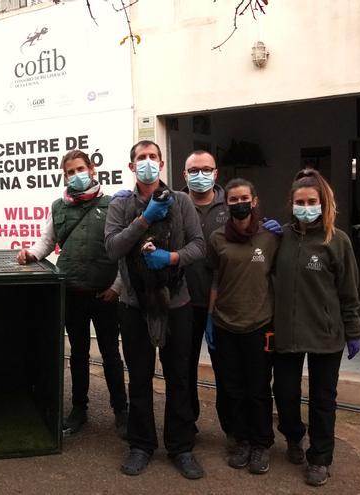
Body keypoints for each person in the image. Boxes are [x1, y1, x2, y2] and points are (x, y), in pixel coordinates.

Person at [105, 140, 206, 480]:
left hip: (176, 301)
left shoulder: (181, 201)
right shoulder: (121, 205)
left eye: (152, 157)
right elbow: (113, 248)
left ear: (161, 163)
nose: (147, 162)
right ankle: (141, 445)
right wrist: (144, 220)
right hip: (134, 304)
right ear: (132, 167)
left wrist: (172, 258)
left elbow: (199, 245)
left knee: (179, 375)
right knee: (140, 376)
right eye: (140, 158)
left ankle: (181, 447)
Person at [17, 149, 128, 437]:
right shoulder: (59, 207)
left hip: (105, 295)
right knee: (78, 355)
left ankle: (122, 411)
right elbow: (47, 242)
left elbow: (124, 251)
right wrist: (31, 254)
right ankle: (79, 409)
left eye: (80, 169)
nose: (76, 175)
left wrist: (117, 287)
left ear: (92, 169)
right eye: (69, 172)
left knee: (111, 355)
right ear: (64, 176)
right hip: (72, 293)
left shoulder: (113, 204)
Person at [272, 168, 360, 487]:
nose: (306, 207)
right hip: (287, 331)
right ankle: (294, 438)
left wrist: (353, 330)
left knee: (323, 399)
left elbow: (349, 291)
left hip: (326, 333)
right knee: (284, 392)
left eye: (312, 201)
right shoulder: (280, 238)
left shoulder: (336, 241)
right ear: (291, 203)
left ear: (323, 203)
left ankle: (320, 458)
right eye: (300, 201)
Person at [205, 177, 279, 475]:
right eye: (233, 200)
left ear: (255, 200)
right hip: (225, 325)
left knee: (259, 388)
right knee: (232, 388)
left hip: (260, 325)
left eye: (244, 198)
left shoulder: (271, 237)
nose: (239, 204)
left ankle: (262, 444)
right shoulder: (217, 239)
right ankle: (241, 441)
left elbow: (281, 276)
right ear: (226, 204)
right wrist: (211, 318)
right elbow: (215, 279)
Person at [179, 150, 232, 443]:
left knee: (226, 370)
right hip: (183, 303)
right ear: (185, 175)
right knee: (183, 369)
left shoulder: (232, 204)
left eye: (206, 169)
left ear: (216, 172)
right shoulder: (175, 203)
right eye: (194, 170)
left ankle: (232, 429)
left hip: (221, 305)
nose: (200, 174)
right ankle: (187, 424)